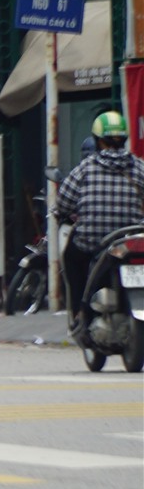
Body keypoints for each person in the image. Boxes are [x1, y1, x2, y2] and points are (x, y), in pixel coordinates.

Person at [56, 110, 144, 328]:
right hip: (130, 241)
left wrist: (62, 213)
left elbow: (63, 202)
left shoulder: (85, 168)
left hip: (93, 242)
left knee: (71, 257)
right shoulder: (139, 167)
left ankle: (78, 314)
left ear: (97, 140)